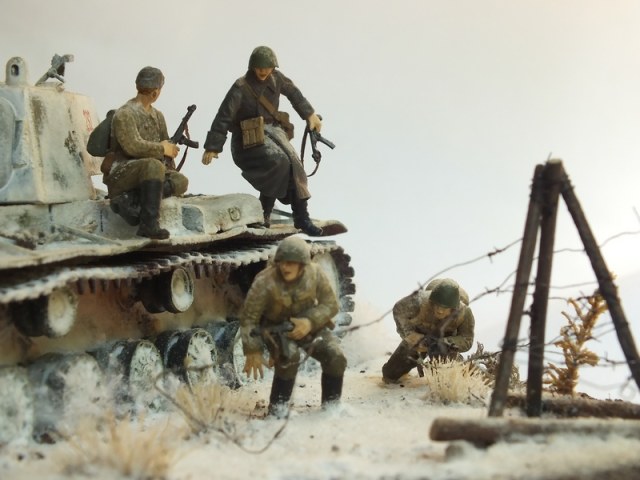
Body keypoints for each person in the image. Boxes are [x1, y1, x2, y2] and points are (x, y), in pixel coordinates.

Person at [201, 46, 324, 236]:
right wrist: (213, 146)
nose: (263, 71)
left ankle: (302, 217)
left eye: (267, 68)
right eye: (259, 67)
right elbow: (224, 116)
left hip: (274, 132)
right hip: (247, 139)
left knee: (295, 164)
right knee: (279, 162)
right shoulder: (241, 87)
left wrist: (310, 114)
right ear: (252, 66)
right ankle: (264, 213)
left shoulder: (277, 78)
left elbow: (294, 94)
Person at [240, 236, 347, 417]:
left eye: (291, 263)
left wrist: (310, 321)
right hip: (276, 328)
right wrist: (252, 350)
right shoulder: (265, 281)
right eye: (282, 262)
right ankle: (278, 410)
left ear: (302, 264)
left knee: (335, 357)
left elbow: (331, 304)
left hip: (309, 324)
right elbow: (249, 317)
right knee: (289, 357)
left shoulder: (315, 273)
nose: (285, 267)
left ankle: (332, 406)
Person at [102, 66, 188, 239]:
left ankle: (129, 200)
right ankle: (149, 225)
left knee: (180, 181)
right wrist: (162, 148)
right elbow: (132, 146)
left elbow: (164, 144)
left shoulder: (158, 116)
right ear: (156, 92)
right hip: (121, 173)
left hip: (149, 174)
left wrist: (170, 150)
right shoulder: (125, 114)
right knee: (153, 165)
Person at [381, 278, 475, 383]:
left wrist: (443, 342)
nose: (440, 311)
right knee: (389, 374)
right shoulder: (419, 300)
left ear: (453, 309)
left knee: (445, 380)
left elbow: (467, 339)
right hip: (419, 336)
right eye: (437, 305)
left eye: (445, 308)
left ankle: (457, 362)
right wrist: (410, 335)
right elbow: (399, 310)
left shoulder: (464, 313)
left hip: (444, 342)